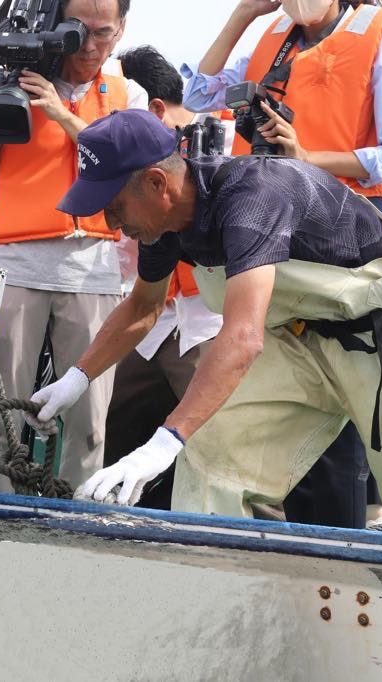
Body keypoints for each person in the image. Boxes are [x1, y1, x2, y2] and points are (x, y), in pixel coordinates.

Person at [30, 108, 382, 521]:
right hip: (302, 342)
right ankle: (215, 580)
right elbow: (143, 306)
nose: (112, 223)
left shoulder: (252, 198)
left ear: (158, 183)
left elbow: (243, 337)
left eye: (115, 206)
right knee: (211, 460)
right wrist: (76, 378)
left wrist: (163, 442)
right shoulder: (166, 223)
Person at [182, 0, 382, 527]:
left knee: (352, 393)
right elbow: (197, 94)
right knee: (281, 377)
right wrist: (242, 16)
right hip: (277, 225)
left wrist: (308, 158)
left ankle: (343, 535)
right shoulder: (272, 40)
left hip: (349, 235)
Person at [0, 0, 146, 493]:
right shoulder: (16, 82)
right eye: (78, 31)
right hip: (17, 267)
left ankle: (80, 528)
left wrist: (62, 115)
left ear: (122, 29)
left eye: (103, 34)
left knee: (89, 423)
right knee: (1, 422)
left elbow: (129, 171)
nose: (89, 46)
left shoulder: (128, 93)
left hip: (93, 270)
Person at [97, 45, 231, 509]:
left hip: (211, 321)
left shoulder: (228, 149)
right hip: (157, 318)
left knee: (223, 450)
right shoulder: (142, 171)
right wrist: (75, 379)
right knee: (121, 427)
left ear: (152, 109)